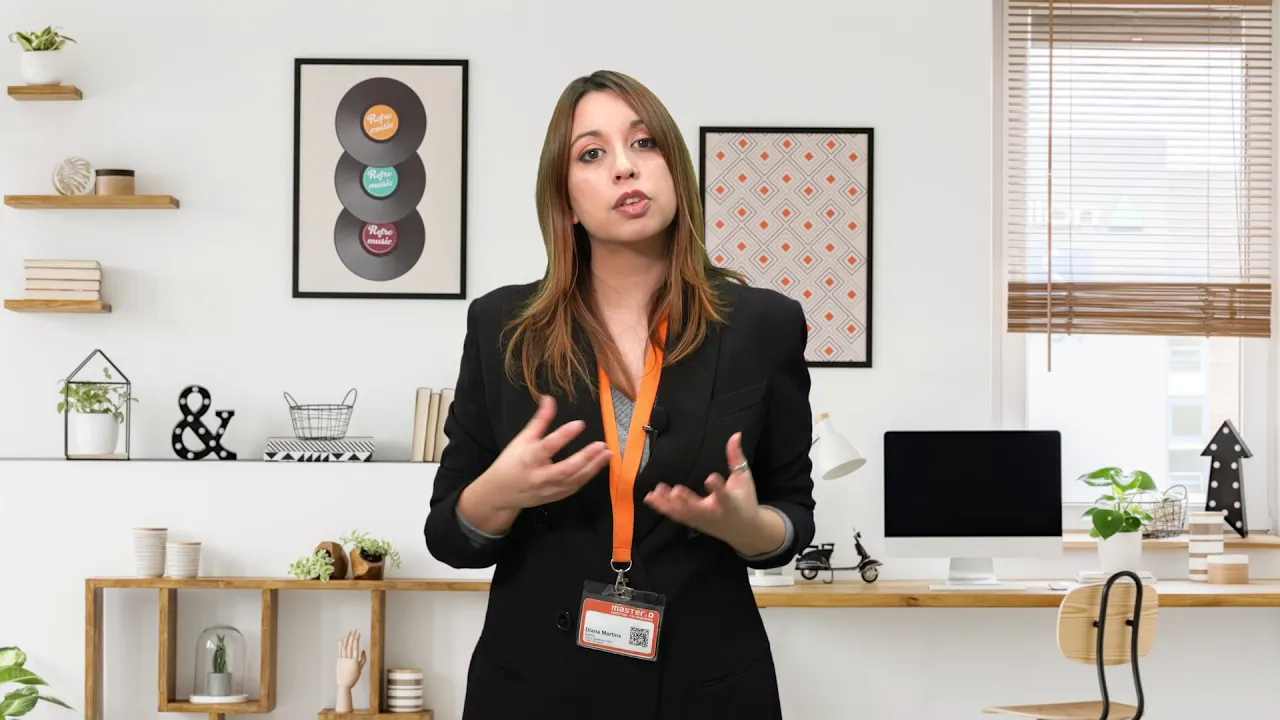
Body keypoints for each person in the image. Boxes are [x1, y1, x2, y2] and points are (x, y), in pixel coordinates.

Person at [424, 69, 816, 720]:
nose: (624, 167)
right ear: (566, 202)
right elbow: (449, 536)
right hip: (535, 688)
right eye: (591, 153)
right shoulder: (501, 327)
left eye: (644, 143)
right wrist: (500, 492)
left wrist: (749, 529)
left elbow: (793, 514)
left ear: (675, 169)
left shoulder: (763, 325)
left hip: (707, 686)